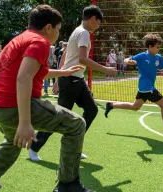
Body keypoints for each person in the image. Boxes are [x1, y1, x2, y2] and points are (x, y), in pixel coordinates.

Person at [0, 5, 92, 191]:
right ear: (48, 28)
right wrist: (25, 123)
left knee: (12, 142)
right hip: (12, 106)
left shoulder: (20, 39)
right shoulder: (40, 42)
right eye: (58, 29)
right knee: (76, 125)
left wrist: (64, 72)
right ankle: (68, 184)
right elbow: (24, 77)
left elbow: (32, 72)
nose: (58, 34)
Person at [28, 5, 117, 162]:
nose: (98, 26)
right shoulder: (83, 33)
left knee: (91, 110)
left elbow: (65, 56)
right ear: (93, 19)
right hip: (70, 80)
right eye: (98, 22)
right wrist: (105, 69)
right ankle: (34, 146)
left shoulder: (77, 31)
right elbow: (82, 59)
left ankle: (75, 146)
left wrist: (59, 77)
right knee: (58, 116)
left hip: (75, 79)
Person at [104, 33, 163, 142]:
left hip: (144, 88)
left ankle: (111, 105)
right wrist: (129, 61)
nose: (158, 49)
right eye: (157, 47)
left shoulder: (158, 57)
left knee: (135, 107)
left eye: (159, 47)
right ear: (150, 47)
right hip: (147, 87)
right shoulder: (142, 56)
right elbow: (125, 60)